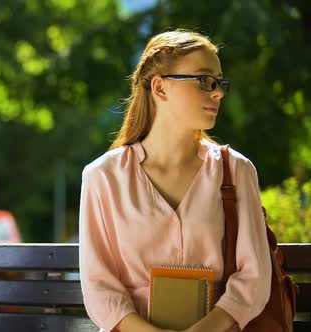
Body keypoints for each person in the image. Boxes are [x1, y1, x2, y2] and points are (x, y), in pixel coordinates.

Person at [78, 30, 271, 332]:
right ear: (160, 88)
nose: (218, 92)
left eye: (219, 83)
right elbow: (99, 288)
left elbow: (254, 278)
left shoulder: (237, 170)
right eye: (205, 80)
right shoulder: (102, 177)